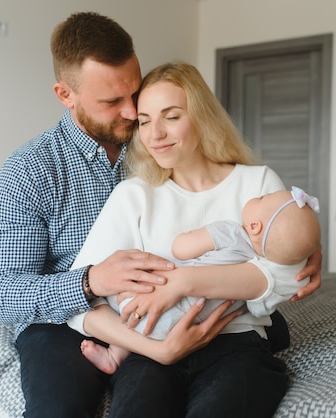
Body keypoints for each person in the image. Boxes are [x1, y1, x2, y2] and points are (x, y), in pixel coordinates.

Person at [0, 11, 322, 418]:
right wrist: (91, 282)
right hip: (71, 315)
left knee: (253, 337)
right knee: (60, 408)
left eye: (136, 95)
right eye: (114, 103)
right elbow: (2, 293)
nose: (133, 115)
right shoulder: (32, 171)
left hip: (182, 316)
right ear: (65, 94)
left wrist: (298, 241)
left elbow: (273, 238)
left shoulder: (151, 149)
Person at [66, 60, 315, 418]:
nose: (156, 134)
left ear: (201, 116)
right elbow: (79, 302)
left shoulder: (257, 184)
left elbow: (288, 275)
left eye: (171, 116)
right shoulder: (133, 195)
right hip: (150, 350)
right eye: (145, 120)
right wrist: (158, 351)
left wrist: (183, 282)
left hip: (236, 345)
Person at [76, 186, 322, 374]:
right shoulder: (263, 272)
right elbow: (259, 307)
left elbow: (181, 248)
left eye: (261, 199)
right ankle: (115, 356)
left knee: (126, 283)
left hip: (144, 306)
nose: (256, 196)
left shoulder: (234, 232)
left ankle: (115, 355)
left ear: (254, 226)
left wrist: (189, 237)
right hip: (189, 326)